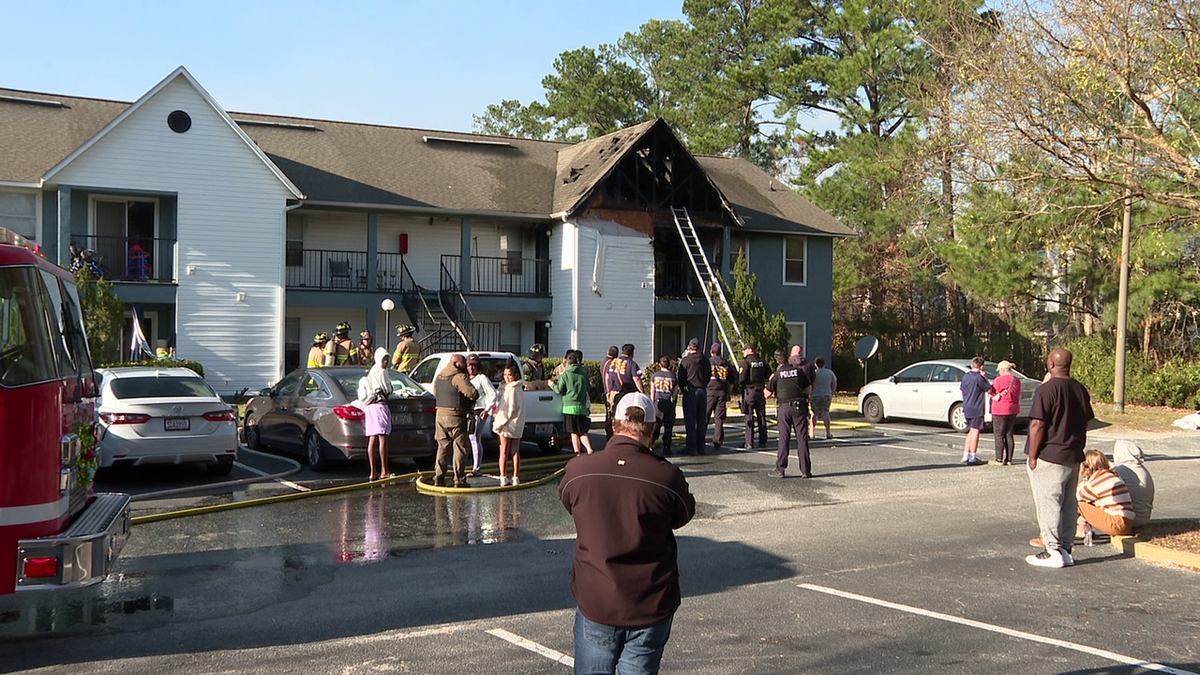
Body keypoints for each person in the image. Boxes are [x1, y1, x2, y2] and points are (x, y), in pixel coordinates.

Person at [559, 393, 696, 675]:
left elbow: (569, 501)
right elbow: (683, 515)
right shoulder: (666, 477)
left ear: (613, 423)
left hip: (597, 598)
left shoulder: (579, 470)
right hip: (649, 601)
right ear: (652, 428)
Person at [1026, 347, 1094, 568]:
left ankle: (1052, 550)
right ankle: (1065, 549)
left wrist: (1033, 455)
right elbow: (1086, 420)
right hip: (1073, 455)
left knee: (1049, 502)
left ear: (1052, 365)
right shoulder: (1079, 389)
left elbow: (1037, 424)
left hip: (1050, 455)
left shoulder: (1047, 390)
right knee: (1068, 503)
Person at [765, 348, 812, 478]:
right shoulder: (799, 371)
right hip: (799, 407)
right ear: (788, 358)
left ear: (777, 360)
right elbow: (809, 390)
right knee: (802, 438)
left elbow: (767, 394)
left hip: (784, 408)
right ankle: (805, 470)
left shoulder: (777, 374)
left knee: (784, 438)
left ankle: (780, 469)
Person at [433, 354, 478, 488]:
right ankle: (459, 479)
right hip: (456, 417)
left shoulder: (440, 376)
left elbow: (436, 392)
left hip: (440, 416)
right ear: (457, 364)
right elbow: (472, 393)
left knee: (442, 448)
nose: (466, 364)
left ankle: (438, 477)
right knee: (460, 448)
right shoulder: (459, 377)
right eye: (463, 362)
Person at [1075, 448, 1134, 537]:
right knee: (1088, 502)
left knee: (1078, 504)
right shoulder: (1110, 475)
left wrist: (1084, 479)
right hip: (1125, 521)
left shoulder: (1099, 479)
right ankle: (1084, 529)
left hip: (1117, 522)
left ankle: (1080, 530)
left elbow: (1078, 496)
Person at [359, 347, 394, 481]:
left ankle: (373, 472)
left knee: (372, 439)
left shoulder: (371, 371)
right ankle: (385, 471)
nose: (386, 362)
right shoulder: (383, 372)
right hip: (380, 406)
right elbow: (388, 389)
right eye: (385, 359)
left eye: (387, 359)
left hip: (369, 407)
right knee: (383, 438)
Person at [551, 351, 596, 456]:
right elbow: (588, 388)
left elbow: (559, 390)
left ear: (567, 362)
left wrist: (551, 385)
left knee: (573, 432)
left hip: (569, 407)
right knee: (582, 431)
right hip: (581, 406)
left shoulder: (565, 374)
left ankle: (577, 452)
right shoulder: (583, 373)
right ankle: (589, 449)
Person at [492, 364, 526, 486]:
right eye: (505, 375)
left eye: (509, 375)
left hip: (507, 424)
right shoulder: (518, 387)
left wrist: (498, 424)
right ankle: (516, 477)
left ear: (515, 375)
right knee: (515, 451)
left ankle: (503, 477)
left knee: (504, 451)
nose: (506, 377)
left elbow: (508, 410)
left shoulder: (511, 389)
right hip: (517, 423)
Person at [676, 338, 711, 456]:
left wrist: (683, 389)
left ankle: (691, 447)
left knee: (690, 420)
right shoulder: (705, 359)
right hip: (702, 390)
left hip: (690, 391)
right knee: (701, 420)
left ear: (689, 347)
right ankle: (701, 446)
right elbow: (709, 375)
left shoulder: (686, 361)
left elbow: (681, 377)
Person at [466, 354, 498, 477]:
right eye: (469, 365)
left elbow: (493, 394)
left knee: (475, 438)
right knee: (469, 438)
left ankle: (476, 468)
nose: (471, 368)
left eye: (473, 365)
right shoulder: (465, 379)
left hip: (479, 412)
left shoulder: (482, 378)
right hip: (468, 412)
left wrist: (487, 410)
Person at [1111, 440, 1155, 529]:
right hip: (1144, 517)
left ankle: (1084, 529)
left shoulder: (1121, 470)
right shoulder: (1142, 469)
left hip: (1131, 519)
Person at [959, 356, 992, 466]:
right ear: (981, 366)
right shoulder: (979, 378)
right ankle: (973, 456)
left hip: (967, 406)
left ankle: (966, 455)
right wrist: (985, 377)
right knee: (975, 431)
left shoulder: (965, 377)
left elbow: (962, 390)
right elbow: (990, 389)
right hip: (976, 407)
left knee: (970, 431)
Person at [705, 342, 738, 453]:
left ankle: (700, 439)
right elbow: (733, 379)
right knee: (719, 419)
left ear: (711, 351)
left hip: (710, 392)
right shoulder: (726, 363)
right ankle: (718, 441)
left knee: (705, 416)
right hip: (722, 392)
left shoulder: (708, 363)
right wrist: (729, 392)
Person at [989, 360, 1022, 465]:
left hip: (1000, 409)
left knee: (999, 434)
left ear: (1003, 370)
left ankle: (999, 458)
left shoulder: (998, 380)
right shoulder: (1017, 380)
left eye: (999, 370)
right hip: (1013, 409)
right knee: (1009, 434)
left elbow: (992, 392)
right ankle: (1009, 459)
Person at [738, 344, 769, 450]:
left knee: (749, 417)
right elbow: (769, 375)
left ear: (750, 350)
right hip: (761, 391)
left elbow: (741, 379)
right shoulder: (762, 362)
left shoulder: (746, 363)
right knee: (761, 417)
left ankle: (749, 442)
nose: (743, 352)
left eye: (744, 350)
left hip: (750, 392)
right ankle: (763, 442)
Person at [649, 356, 679, 457]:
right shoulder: (673, 376)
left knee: (656, 425)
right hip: (669, 404)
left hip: (658, 403)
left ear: (660, 364)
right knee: (668, 426)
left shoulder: (655, 376)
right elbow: (675, 393)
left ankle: (650, 445)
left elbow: (652, 390)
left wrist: (652, 402)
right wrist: (674, 404)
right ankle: (667, 447)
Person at [809, 356, 838, 440]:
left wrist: (810, 393)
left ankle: (812, 433)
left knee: (814, 414)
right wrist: (831, 392)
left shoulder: (814, 373)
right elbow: (834, 383)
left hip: (815, 395)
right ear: (824, 364)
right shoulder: (830, 373)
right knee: (825, 413)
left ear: (815, 364)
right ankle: (828, 432)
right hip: (826, 395)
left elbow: (810, 385)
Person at [601, 345, 620, 438]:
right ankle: (610, 433)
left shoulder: (604, 362)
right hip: (611, 392)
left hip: (606, 391)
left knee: (608, 413)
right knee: (612, 414)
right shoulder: (611, 364)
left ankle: (609, 433)